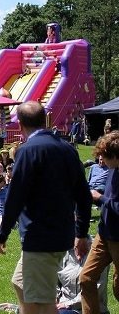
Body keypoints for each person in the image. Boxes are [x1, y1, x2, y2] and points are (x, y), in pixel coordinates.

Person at [0, 101, 92, 314]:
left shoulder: (27, 150)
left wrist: (2, 233)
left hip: (40, 237)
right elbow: (84, 196)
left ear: (20, 125)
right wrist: (81, 232)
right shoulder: (68, 149)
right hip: (59, 234)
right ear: (45, 121)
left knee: (45, 299)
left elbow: (15, 196)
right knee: (20, 282)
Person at [79, 131, 119, 313]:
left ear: (116, 156)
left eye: (104, 156)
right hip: (104, 234)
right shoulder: (112, 170)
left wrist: (100, 198)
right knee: (86, 279)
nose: (100, 160)